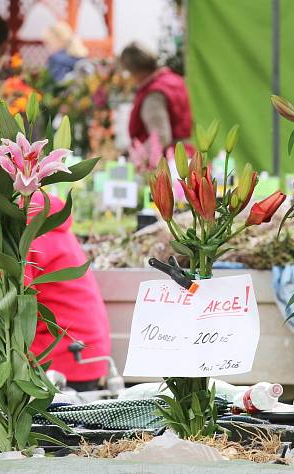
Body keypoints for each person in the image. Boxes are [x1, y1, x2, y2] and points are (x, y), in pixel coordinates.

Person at [26, 193, 111, 390]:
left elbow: (13, 302)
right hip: (88, 350)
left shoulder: (18, 230)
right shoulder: (52, 227)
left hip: (60, 359)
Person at [119, 42, 193, 150]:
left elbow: (161, 138)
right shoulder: (173, 79)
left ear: (137, 71)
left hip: (169, 161)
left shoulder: (153, 94)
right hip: (184, 153)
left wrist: (138, 155)